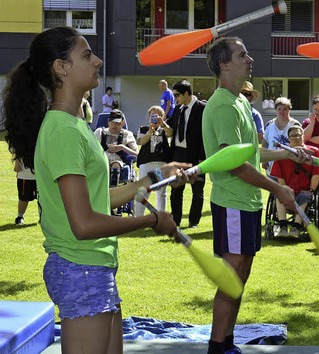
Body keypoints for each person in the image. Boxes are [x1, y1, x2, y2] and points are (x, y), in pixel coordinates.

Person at [0, 26, 190, 354]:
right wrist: (150, 221)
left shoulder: (76, 126)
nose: (98, 60)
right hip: (81, 269)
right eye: (87, 55)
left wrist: (154, 178)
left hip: (94, 268)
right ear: (61, 67)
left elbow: (96, 200)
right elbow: (85, 224)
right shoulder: (62, 131)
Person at [201, 36, 301, 354]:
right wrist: (278, 188)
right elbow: (236, 165)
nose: (250, 59)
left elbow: (253, 153)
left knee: (241, 274)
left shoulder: (241, 102)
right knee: (232, 278)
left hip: (248, 203)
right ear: (224, 64)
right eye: (242, 54)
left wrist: (288, 154)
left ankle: (228, 342)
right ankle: (218, 346)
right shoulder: (221, 106)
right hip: (232, 202)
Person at [271, 125, 319, 237]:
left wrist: (311, 190)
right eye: (292, 136)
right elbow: (279, 176)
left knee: (305, 196)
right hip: (289, 189)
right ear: (288, 139)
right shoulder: (282, 154)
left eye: (298, 135)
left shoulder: (314, 152)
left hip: (305, 190)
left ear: (303, 136)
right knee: (279, 196)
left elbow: (317, 173)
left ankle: (296, 227)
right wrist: (284, 190)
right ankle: (283, 227)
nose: (296, 138)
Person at [168, 79, 207, 228]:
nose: (175, 98)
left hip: (196, 155)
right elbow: (171, 126)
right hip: (178, 154)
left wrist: (203, 156)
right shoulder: (178, 109)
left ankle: (193, 222)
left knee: (197, 190)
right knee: (176, 190)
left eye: (177, 95)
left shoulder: (203, 108)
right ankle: (175, 221)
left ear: (186, 93)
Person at [135, 106, 173, 217]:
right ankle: (138, 217)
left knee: (161, 192)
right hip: (146, 163)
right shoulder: (143, 129)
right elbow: (141, 142)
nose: (155, 118)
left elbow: (171, 133)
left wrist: (163, 124)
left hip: (161, 163)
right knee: (143, 191)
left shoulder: (164, 129)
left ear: (162, 117)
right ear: (149, 117)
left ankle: (160, 216)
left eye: (158, 115)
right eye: (153, 115)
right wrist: (149, 132)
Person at [93, 109, 138, 186]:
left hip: (116, 160)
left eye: (117, 123)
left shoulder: (127, 134)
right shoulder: (100, 132)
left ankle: (113, 187)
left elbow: (137, 154)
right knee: (102, 165)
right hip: (101, 158)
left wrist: (122, 147)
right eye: (112, 122)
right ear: (108, 122)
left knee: (116, 165)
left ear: (122, 123)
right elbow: (91, 148)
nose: (114, 125)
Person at [262, 96, 301, 176]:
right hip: (272, 165)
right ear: (275, 110)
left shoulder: (295, 125)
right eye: (279, 109)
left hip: (289, 167)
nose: (281, 112)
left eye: (285, 109)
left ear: (289, 110)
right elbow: (265, 143)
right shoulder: (269, 125)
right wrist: (264, 160)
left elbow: (300, 145)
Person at [14, 157, 36, 225]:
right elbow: (15, 148)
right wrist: (17, 162)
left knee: (43, 199)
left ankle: (44, 219)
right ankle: (20, 217)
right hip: (25, 175)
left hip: (41, 174)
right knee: (24, 198)